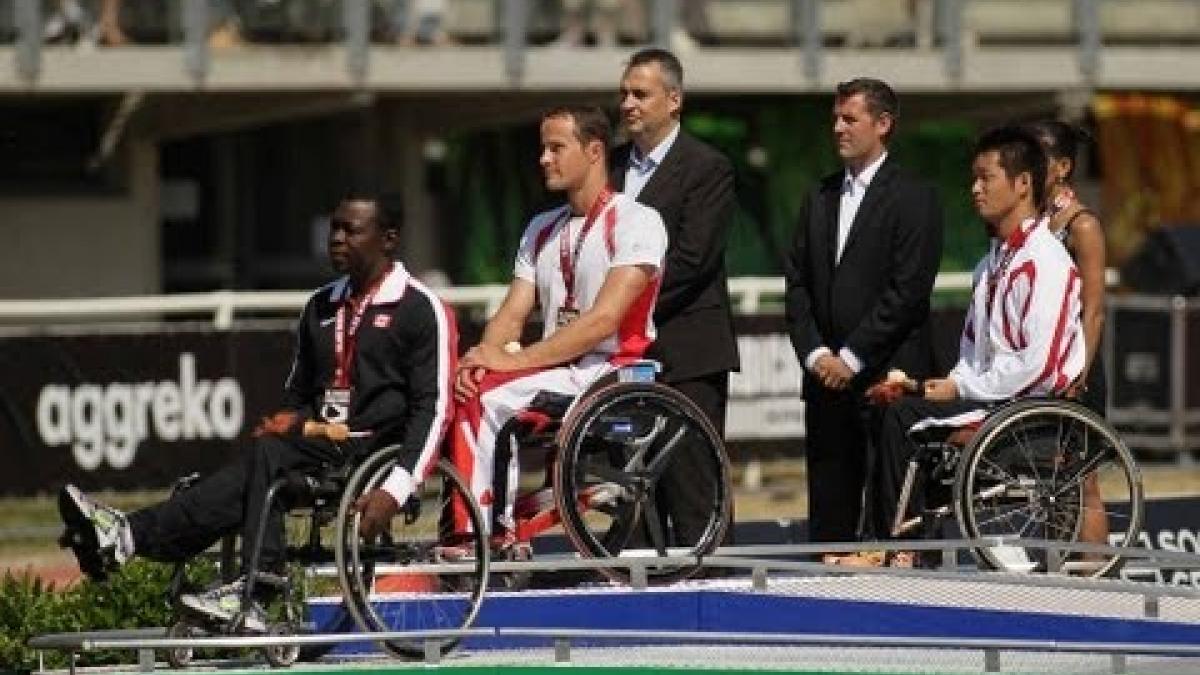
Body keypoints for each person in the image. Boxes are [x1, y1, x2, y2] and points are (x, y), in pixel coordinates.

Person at [58, 193, 455, 629]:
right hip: (321, 442)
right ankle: (128, 538)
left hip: (374, 451)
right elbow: (298, 395)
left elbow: (433, 409)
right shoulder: (319, 306)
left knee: (268, 457)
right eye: (333, 228)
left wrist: (396, 489)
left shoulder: (421, 309)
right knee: (258, 462)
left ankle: (247, 585)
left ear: (389, 239)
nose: (337, 238)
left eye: (351, 231)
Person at [859, 125, 1086, 564]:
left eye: (986, 178)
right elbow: (971, 356)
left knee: (905, 417)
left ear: (1022, 185)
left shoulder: (1046, 262)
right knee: (889, 402)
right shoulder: (991, 263)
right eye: (974, 178)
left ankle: (892, 549)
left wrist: (956, 390)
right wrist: (941, 385)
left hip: (1026, 410)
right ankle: (901, 545)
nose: (975, 189)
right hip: (992, 398)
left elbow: (1037, 367)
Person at [447, 104, 667, 546]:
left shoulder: (638, 221)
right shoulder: (541, 228)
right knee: (465, 390)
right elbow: (511, 314)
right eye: (542, 148)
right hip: (557, 368)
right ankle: (483, 522)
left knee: (488, 401)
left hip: (611, 370)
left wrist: (510, 363)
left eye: (556, 147)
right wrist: (481, 360)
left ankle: (479, 537)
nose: (544, 159)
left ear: (594, 151)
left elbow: (604, 319)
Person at [783, 78, 943, 553]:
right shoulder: (820, 195)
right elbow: (796, 283)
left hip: (886, 380)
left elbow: (908, 291)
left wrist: (851, 357)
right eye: (835, 117)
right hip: (825, 384)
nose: (838, 128)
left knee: (893, 511)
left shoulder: (915, 196)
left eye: (849, 118)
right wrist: (815, 354)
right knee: (830, 512)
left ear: (883, 124)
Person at [608, 48, 739, 546]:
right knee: (632, 492)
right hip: (621, 359)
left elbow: (692, 259)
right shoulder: (611, 169)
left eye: (640, 94)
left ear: (674, 100)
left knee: (693, 489)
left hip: (687, 352)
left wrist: (615, 310)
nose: (628, 104)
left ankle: (716, 597)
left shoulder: (708, 167)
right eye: (624, 93)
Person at [1026, 119, 1109, 547]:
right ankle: (1060, 579)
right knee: (1049, 486)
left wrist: (1080, 372)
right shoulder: (1030, 224)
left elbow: (1094, 311)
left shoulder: (1082, 225)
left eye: (1036, 155)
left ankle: (1099, 583)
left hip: (1079, 368)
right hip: (1041, 370)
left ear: (1062, 166)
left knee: (1082, 480)